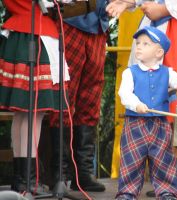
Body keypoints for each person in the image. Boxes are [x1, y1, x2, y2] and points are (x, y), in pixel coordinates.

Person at [106, 0, 177, 195]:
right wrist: (136, 104)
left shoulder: (166, 72)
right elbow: (124, 94)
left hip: (159, 126)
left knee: (163, 161)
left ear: (159, 52)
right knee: (132, 162)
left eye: (145, 44)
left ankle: (167, 192)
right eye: (138, 43)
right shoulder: (130, 73)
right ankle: (127, 193)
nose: (139, 47)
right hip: (136, 125)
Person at [0, 0, 70, 195]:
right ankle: (28, 180)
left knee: (23, 113)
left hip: (20, 33)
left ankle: (22, 179)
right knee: (33, 113)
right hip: (36, 32)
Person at [48, 0, 108, 192]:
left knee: (91, 96)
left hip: (98, 25)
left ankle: (83, 172)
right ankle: (60, 172)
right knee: (65, 92)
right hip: (70, 21)